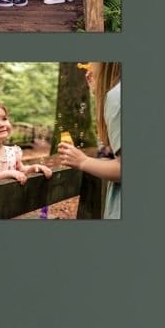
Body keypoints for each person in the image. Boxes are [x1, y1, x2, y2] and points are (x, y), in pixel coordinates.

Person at [57, 62, 121, 219]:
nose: (88, 69)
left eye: (93, 62)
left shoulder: (116, 97)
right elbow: (110, 151)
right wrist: (99, 91)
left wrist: (82, 161)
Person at [0, 95, 52, 185]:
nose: (2, 124)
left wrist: (33, 168)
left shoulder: (12, 152)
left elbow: (21, 170)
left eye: (4, 119)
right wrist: (8, 174)